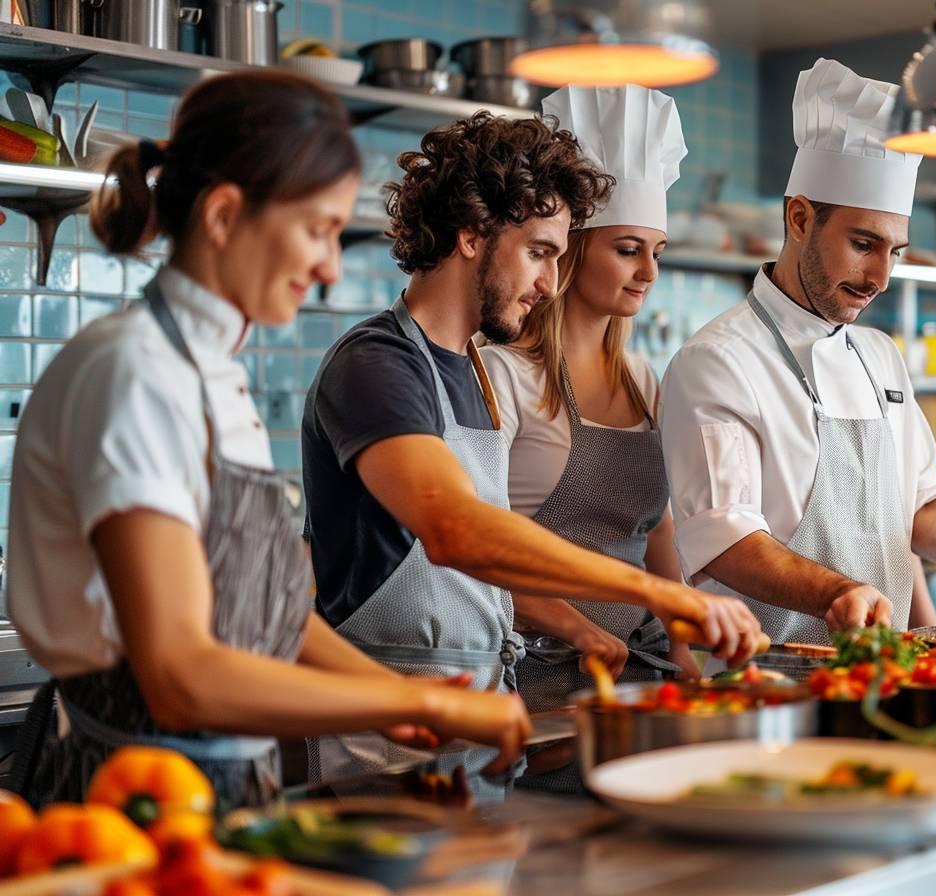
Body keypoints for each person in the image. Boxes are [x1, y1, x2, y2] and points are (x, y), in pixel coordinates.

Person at [6, 72, 531, 811]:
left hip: (222, 786)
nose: (330, 267)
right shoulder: (136, 374)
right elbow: (179, 675)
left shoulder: (211, 375)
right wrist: (417, 702)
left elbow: (273, 616)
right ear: (225, 215)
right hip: (127, 793)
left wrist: (399, 698)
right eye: (317, 230)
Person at [302, 110, 762, 784]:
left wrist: (572, 626)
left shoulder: (469, 370)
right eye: (540, 252)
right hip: (387, 732)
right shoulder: (377, 363)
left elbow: (480, 569)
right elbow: (458, 531)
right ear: (470, 234)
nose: (549, 283)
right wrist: (664, 596)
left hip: (480, 713)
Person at [660, 58, 936, 648]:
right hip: (769, 677)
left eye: (895, 252)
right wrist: (835, 593)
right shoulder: (717, 362)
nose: (881, 278)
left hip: (883, 672)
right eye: (864, 244)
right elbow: (725, 539)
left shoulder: (879, 355)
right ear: (799, 218)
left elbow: (921, 509)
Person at [480, 85, 697, 722]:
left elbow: (658, 530)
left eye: (657, 252)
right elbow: (477, 552)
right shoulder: (504, 373)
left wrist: (681, 643)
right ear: (570, 249)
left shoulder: (643, 381)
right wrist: (576, 628)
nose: (649, 272)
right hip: (537, 675)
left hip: (642, 673)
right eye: (628, 250)